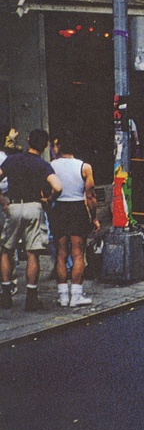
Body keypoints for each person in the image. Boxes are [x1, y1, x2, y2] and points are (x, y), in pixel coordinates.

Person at [0, 129, 63, 311]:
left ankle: (5, 295)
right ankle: (31, 297)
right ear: (44, 147)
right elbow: (57, 187)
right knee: (32, 253)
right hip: (34, 207)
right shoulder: (43, 164)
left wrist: (3, 200)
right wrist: (49, 200)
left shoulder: (12, 160)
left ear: (28, 141)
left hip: (13, 207)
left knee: (6, 250)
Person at [50, 132, 99, 307]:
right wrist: (94, 218)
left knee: (61, 253)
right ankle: (76, 295)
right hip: (77, 208)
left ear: (60, 147)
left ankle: (63, 295)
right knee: (78, 253)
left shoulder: (51, 166)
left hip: (59, 209)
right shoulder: (84, 167)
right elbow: (91, 196)